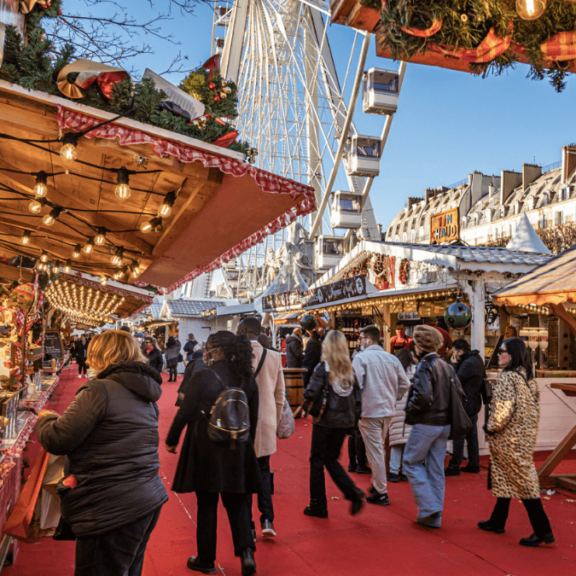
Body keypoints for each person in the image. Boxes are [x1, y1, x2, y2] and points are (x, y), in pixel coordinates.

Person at [35, 330, 168, 576]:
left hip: (111, 504)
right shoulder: (147, 395)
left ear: (100, 353)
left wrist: (45, 418)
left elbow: (59, 438)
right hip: (146, 496)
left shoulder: (99, 390)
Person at [166, 331, 260, 575]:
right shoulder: (246, 377)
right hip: (238, 445)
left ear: (216, 351)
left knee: (206, 503)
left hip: (206, 445)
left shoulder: (203, 376)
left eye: (208, 348)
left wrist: (171, 439)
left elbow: (185, 411)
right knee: (237, 500)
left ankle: (206, 559)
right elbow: (253, 415)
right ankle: (246, 553)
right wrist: (246, 442)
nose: (205, 352)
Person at [478, 337, 554, 547]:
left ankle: (543, 530)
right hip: (523, 437)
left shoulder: (508, 377)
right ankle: (497, 520)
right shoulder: (527, 377)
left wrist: (490, 427)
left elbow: (502, 410)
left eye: (502, 351)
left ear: (511, 355)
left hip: (507, 438)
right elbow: (535, 409)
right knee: (505, 478)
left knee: (525, 483)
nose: (498, 354)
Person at [303, 330, 364, 518]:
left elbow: (311, 393)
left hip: (325, 419)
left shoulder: (323, 368)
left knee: (317, 461)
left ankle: (318, 504)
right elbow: (357, 399)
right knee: (331, 459)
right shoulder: (349, 369)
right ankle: (352, 492)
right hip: (344, 421)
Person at [403, 325, 457, 528]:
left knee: (410, 462)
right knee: (436, 469)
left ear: (419, 346)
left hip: (427, 422)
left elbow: (423, 396)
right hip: (444, 423)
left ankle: (429, 506)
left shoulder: (425, 365)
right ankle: (434, 515)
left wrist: (411, 410)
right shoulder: (445, 365)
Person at [237, 318, 285, 538]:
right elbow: (279, 395)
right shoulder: (275, 357)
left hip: (241, 420)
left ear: (246, 330)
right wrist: (273, 421)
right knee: (263, 471)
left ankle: (248, 525)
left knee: (244, 475)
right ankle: (267, 518)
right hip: (265, 419)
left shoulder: (235, 356)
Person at [352, 325, 410, 506]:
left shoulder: (361, 358)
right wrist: (396, 396)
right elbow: (405, 383)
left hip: (369, 410)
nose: (359, 341)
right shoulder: (391, 358)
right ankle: (377, 485)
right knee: (377, 449)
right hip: (387, 410)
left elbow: (355, 384)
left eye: (361, 338)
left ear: (368, 340)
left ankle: (381, 491)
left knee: (375, 450)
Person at [445, 339, 485, 476]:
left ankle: (455, 465)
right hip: (474, 401)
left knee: (459, 434)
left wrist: (454, 365)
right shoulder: (476, 358)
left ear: (460, 351)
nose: (453, 354)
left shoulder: (467, 363)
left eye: (454, 351)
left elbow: (456, 380)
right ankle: (474, 464)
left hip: (466, 401)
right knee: (471, 434)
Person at [387, 348, 416, 482]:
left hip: (396, 409)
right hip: (410, 409)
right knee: (408, 443)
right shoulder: (416, 370)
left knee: (396, 442)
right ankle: (404, 471)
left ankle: (393, 471)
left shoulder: (393, 371)